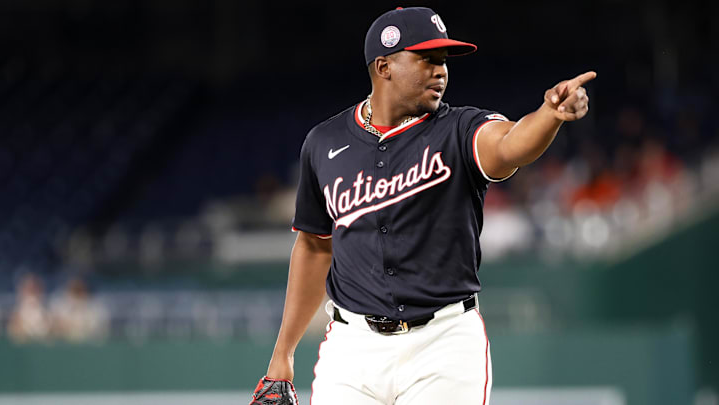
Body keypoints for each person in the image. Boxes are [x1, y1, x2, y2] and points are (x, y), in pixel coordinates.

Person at [250, 7, 594, 405]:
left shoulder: (460, 129)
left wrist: (549, 116)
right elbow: (314, 246)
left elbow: (509, 145)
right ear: (384, 67)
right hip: (352, 346)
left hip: (443, 343)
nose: (440, 71)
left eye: (443, 61)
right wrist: (281, 357)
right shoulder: (324, 144)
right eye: (426, 59)